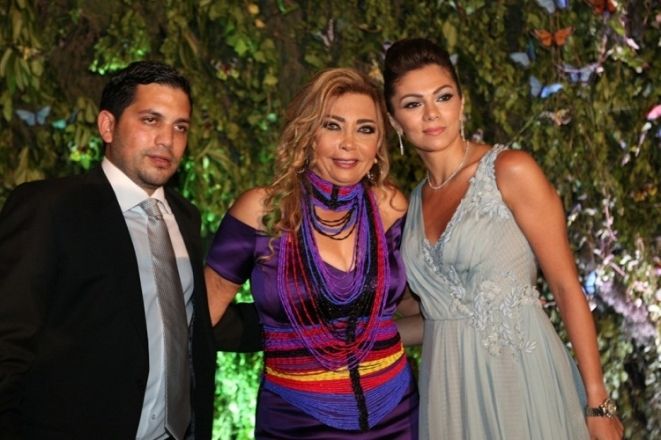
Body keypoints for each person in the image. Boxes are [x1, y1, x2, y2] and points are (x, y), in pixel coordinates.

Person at [0, 61, 261, 440]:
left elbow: (190, 323)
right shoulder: (50, 207)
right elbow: (8, 343)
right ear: (108, 125)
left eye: (180, 127)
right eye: (151, 120)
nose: (167, 140)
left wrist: (309, 320)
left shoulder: (185, 216)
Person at [383, 38, 624, 439]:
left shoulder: (510, 170)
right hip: (450, 395)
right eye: (412, 104)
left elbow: (566, 286)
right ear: (394, 121)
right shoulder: (414, 203)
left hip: (522, 378)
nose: (431, 113)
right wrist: (354, 339)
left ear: (461, 102)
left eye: (443, 96)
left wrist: (598, 402)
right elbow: (437, 319)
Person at [205, 67, 418, 439]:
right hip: (297, 423)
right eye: (332, 126)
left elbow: (413, 307)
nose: (349, 143)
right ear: (307, 134)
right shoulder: (262, 211)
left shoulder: (391, 206)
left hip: (398, 416)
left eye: (365, 129)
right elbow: (201, 318)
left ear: (378, 145)